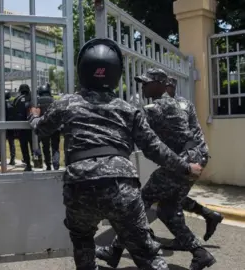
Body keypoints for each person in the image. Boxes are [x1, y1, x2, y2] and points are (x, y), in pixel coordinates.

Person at [28, 38, 203, 270]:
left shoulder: (67, 103)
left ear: (83, 70)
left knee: (83, 242)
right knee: (147, 254)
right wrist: (186, 167)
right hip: (122, 187)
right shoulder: (128, 109)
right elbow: (155, 148)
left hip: (80, 186)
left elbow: (41, 129)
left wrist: (33, 115)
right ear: (116, 74)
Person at [96, 68, 216, 270]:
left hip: (181, 162)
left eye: (147, 83)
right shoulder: (177, 104)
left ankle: (114, 251)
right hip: (193, 158)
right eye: (142, 83)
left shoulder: (155, 107)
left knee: (138, 204)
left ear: (161, 84)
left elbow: (129, 124)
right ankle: (200, 253)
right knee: (167, 211)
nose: (143, 86)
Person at [164, 76, 223, 246]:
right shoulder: (184, 103)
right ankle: (209, 215)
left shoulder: (170, 106)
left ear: (168, 88)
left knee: (169, 202)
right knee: (175, 196)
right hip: (196, 154)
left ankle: (186, 241)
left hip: (189, 157)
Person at [37, 84, 61, 170]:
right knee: (55, 147)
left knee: (45, 147)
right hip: (55, 127)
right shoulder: (54, 100)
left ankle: (48, 165)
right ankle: (56, 164)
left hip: (44, 128)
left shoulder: (37, 101)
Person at [13, 84, 35, 171]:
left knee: (24, 147)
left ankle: (28, 164)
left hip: (21, 128)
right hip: (32, 126)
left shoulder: (17, 100)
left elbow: (14, 114)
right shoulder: (33, 98)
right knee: (34, 145)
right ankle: (37, 161)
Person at [0, 90, 16, 165]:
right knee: (11, 143)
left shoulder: (0, 105)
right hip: (11, 126)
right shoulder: (12, 104)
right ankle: (12, 159)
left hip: (1, 126)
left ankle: (0, 156)